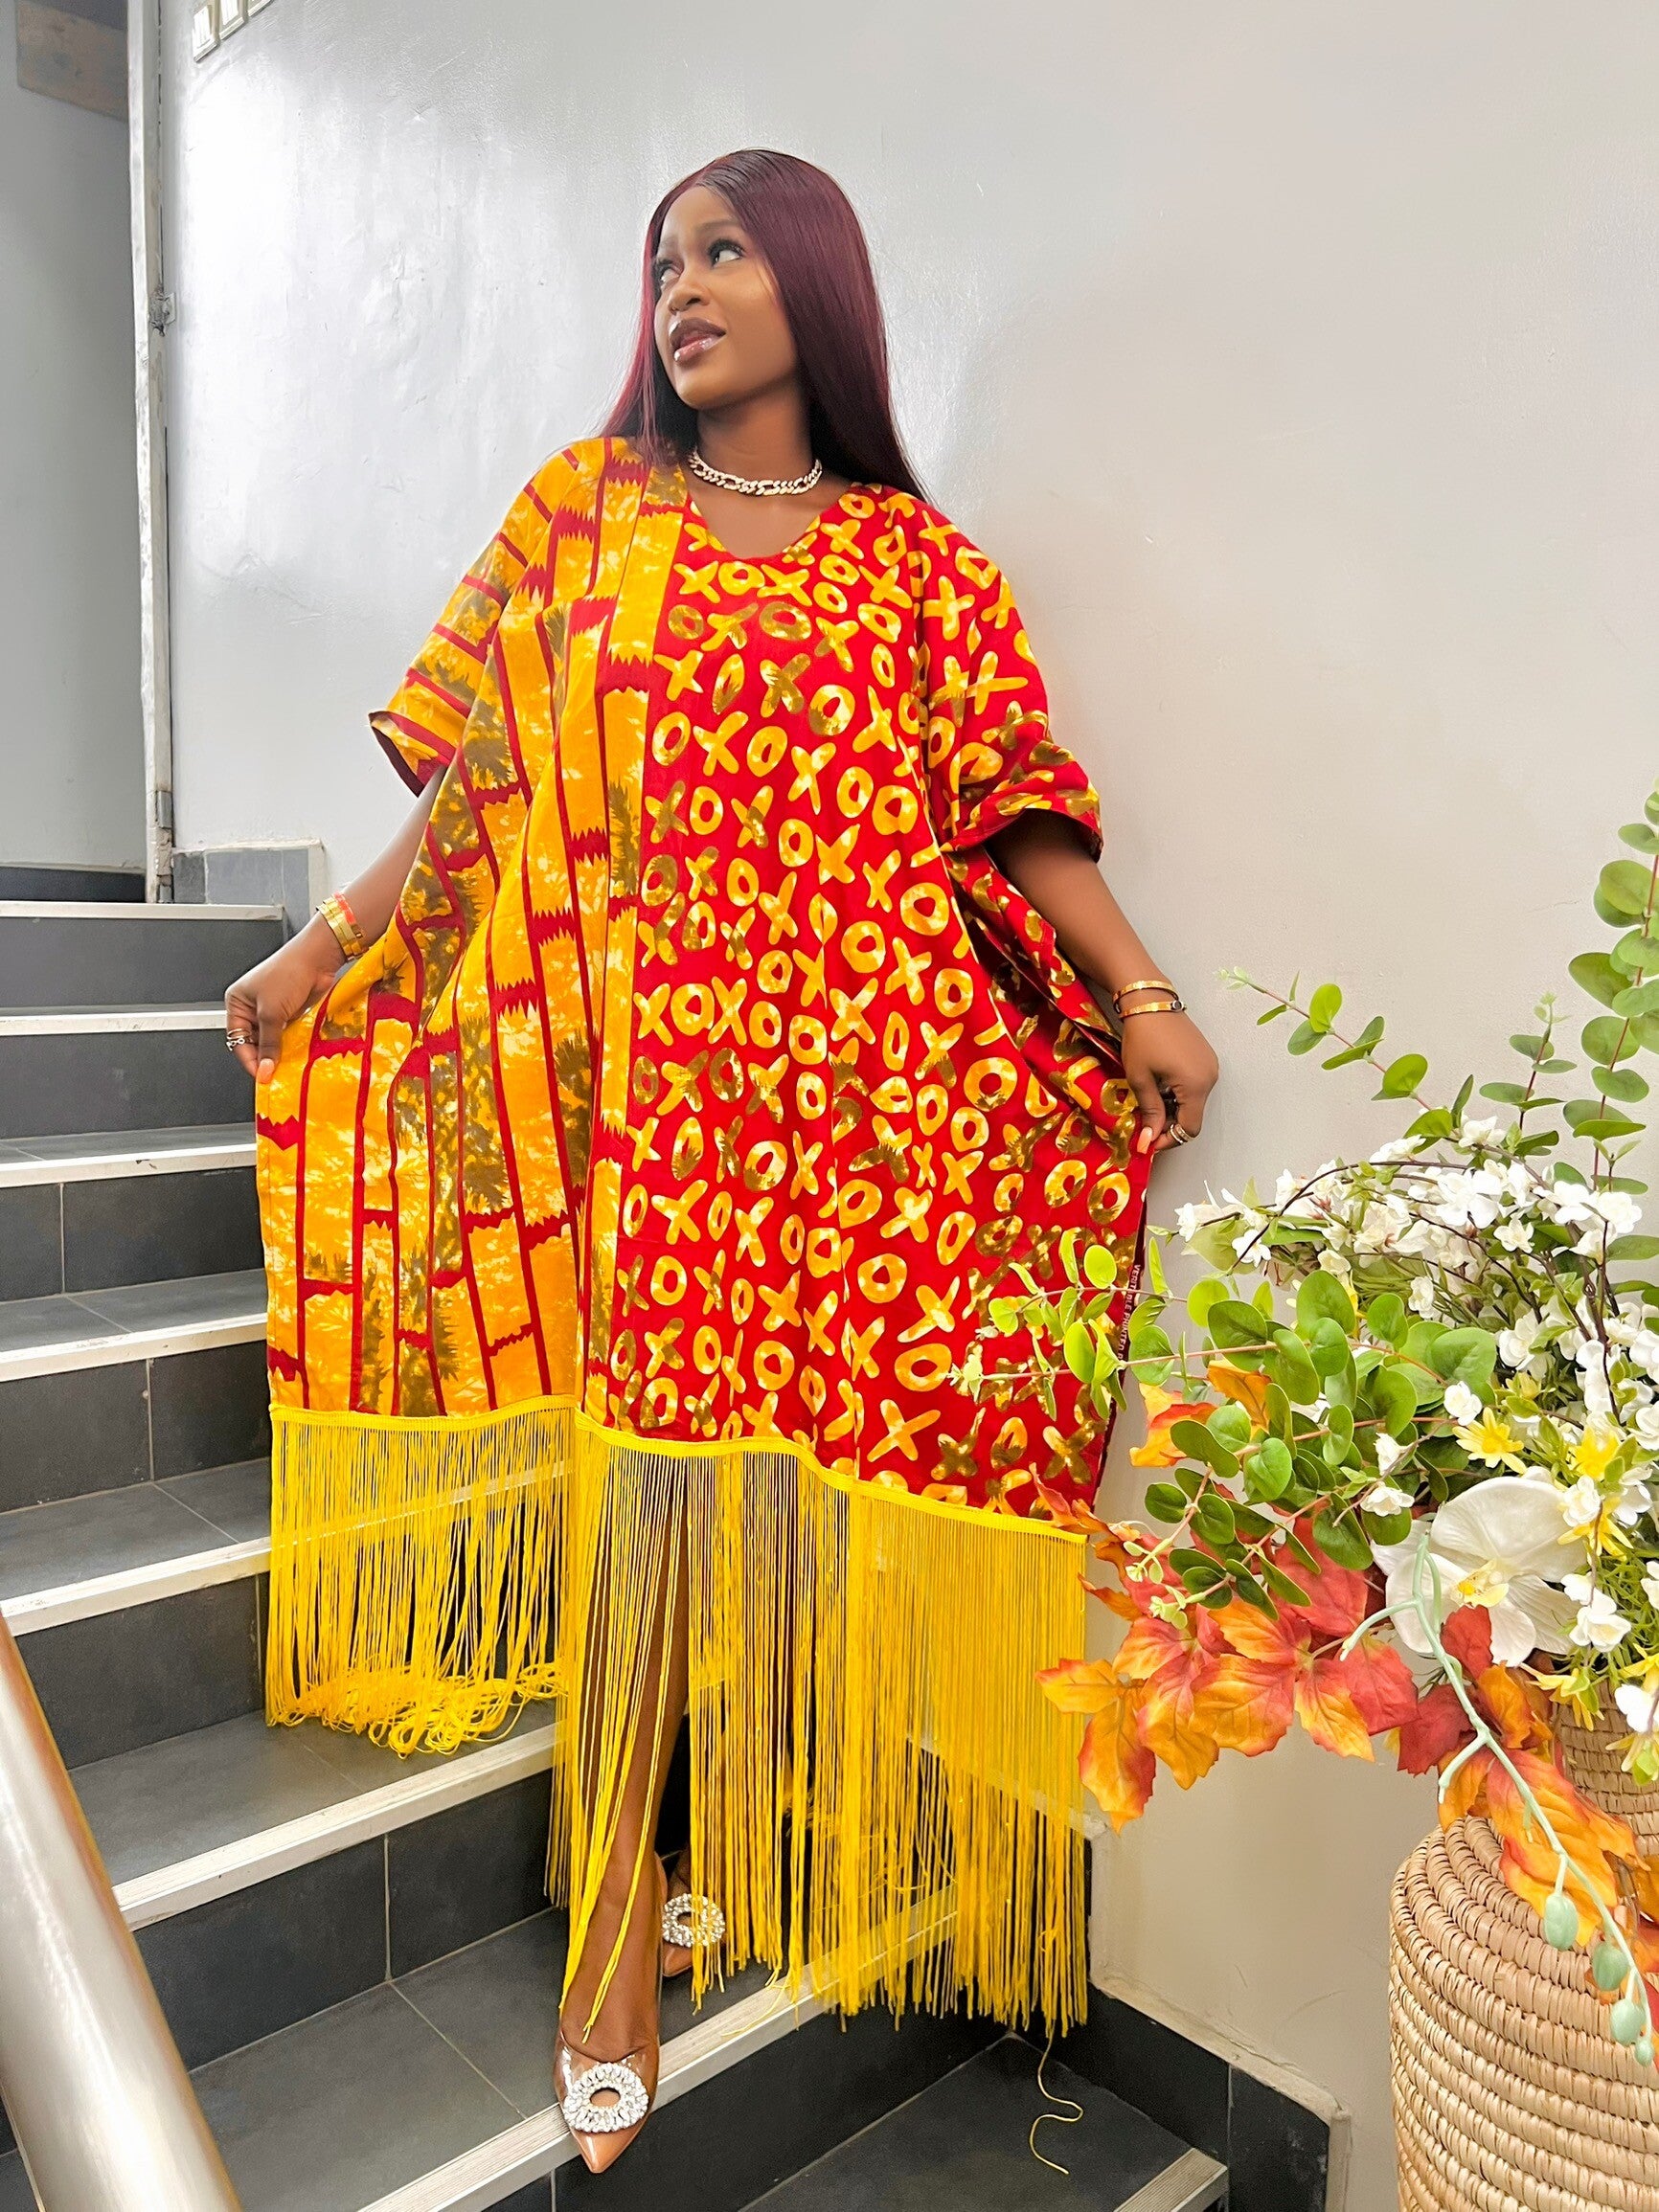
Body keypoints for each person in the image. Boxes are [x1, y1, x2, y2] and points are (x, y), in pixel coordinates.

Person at [225, 147, 1218, 2172]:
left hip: (844, 1084)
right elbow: (483, 787)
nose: (679, 287)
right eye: (662, 258)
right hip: (648, 1087)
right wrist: (325, 941)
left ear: (813, 288)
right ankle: (609, 1904)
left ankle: (723, 1836)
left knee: (764, 1483)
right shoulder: (584, 512)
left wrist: (1135, 993)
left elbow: (1007, 807)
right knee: (651, 1491)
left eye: (724, 251)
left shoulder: (917, 567)